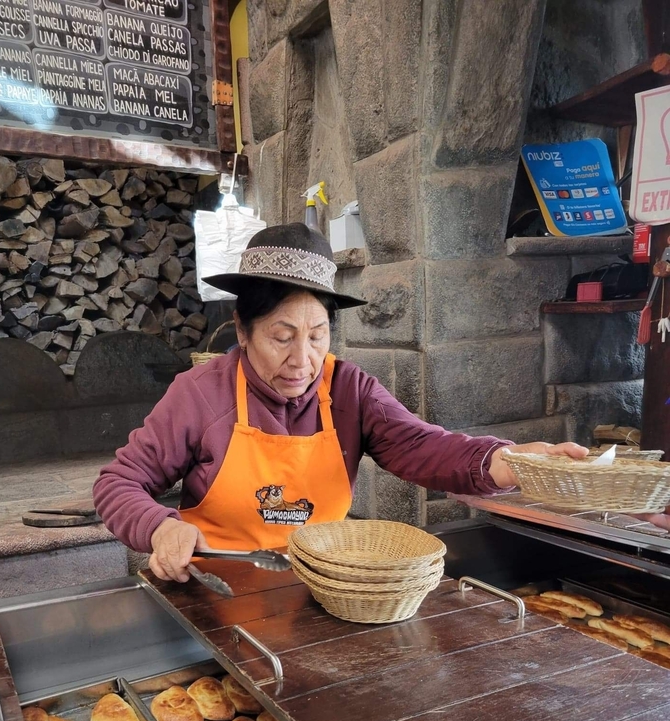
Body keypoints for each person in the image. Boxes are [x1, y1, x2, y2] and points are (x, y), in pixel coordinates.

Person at [93, 223, 587, 582]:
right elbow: (119, 483)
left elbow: (424, 448)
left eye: (317, 335)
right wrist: (159, 526)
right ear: (242, 332)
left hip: (321, 593)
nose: (301, 360)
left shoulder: (350, 391)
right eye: (281, 337)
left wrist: (510, 461)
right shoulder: (201, 394)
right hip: (214, 593)